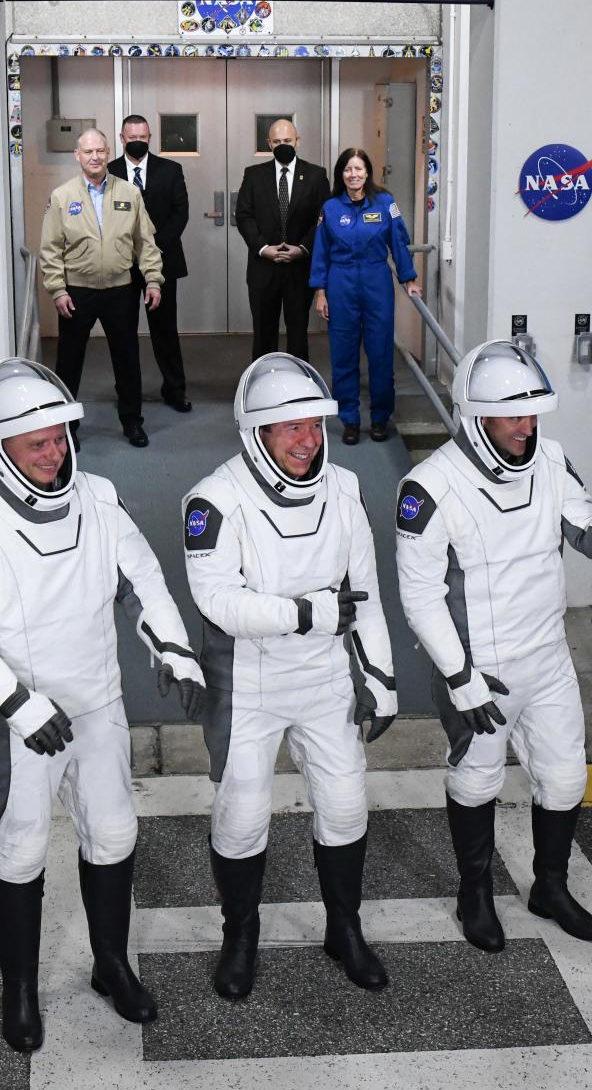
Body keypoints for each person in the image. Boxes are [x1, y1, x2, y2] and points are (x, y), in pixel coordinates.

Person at [0, 359, 204, 1052]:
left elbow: (145, 579)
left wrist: (175, 649)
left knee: (113, 835)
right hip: (19, 721)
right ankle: (19, 989)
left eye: (59, 437)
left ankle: (110, 965)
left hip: (97, 701)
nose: (53, 453)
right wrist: (18, 704)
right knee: (19, 849)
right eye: (35, 443)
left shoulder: (101, 498)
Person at [395, 340, 592, 950]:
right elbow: (420, 598)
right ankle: (475, 896)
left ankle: (550, 887)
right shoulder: (428, 486)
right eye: (514, 415)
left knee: (566, 779)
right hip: (481, 673)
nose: (528, 427)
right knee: (476, 782)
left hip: (547, 659)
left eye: (533, 414)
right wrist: (459, 677)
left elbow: (588, 536)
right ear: (476, 415)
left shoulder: (550, 459)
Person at [182, 354, 397, 1001]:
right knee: (243, 815)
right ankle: (240, 935)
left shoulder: (346, 487)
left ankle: (344, 928)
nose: (308, 441)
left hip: (326, 678)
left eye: (314, 426)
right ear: (257, 435)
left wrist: (381, 676)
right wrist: (306, 613)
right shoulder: (214, 501)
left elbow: (366, 591)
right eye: (290, 429)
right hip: (249, 684)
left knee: (344, 806)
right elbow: (217, 602)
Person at [40, 127, 163, 448]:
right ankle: (66, 427)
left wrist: (153, 279)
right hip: (76, 293)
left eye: (100, 151)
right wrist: (58, 290)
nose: (95, 157)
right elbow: (50, 249)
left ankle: (132, 421)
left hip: (120, 291)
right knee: (69, 363)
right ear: (77, 156)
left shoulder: (129, 193)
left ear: (109, 153)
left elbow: (145, 243)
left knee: (127, 360)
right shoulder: (62, 197)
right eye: (88, 152)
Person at [310, 148, 421, 445]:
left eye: (359, 169)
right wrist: (320, 293)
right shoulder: (330, 208)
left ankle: (380, 417)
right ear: (341, 174)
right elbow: (321, 253)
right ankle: (349, 418)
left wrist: (408, 278)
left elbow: (398, 240)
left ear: (368, 172)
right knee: (343, 355)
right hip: (341, 283)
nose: (353, 174)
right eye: (348, 169)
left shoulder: (386, 203)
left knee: (380, 353)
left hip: (376, 282)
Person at [108, 114, 192, 413]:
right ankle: (127, 390)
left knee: (165, 331)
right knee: (123, 332)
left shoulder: (171, 170)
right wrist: (130, 250)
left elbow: (180, 214)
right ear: (121, 138)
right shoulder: (109, 171)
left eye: (143, 137)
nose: (138, 142)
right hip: (121, 266)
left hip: (164, 262)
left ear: (150, 137)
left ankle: (175, 390)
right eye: (132, 138)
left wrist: (151, 247)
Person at [235, 119, 330, 361]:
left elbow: (322, 218)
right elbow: (244, 215)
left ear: (297, 140)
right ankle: (263, 385)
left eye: (287, 140)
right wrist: (262, 247)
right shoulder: (253, 175)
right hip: (263, 268)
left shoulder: (316, 175)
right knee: (263, 333)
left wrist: (303, 248)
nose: (282, 145)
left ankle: (299, 388)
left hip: (299, 268)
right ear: (268, 143)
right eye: (276, 141)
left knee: (298, 333)